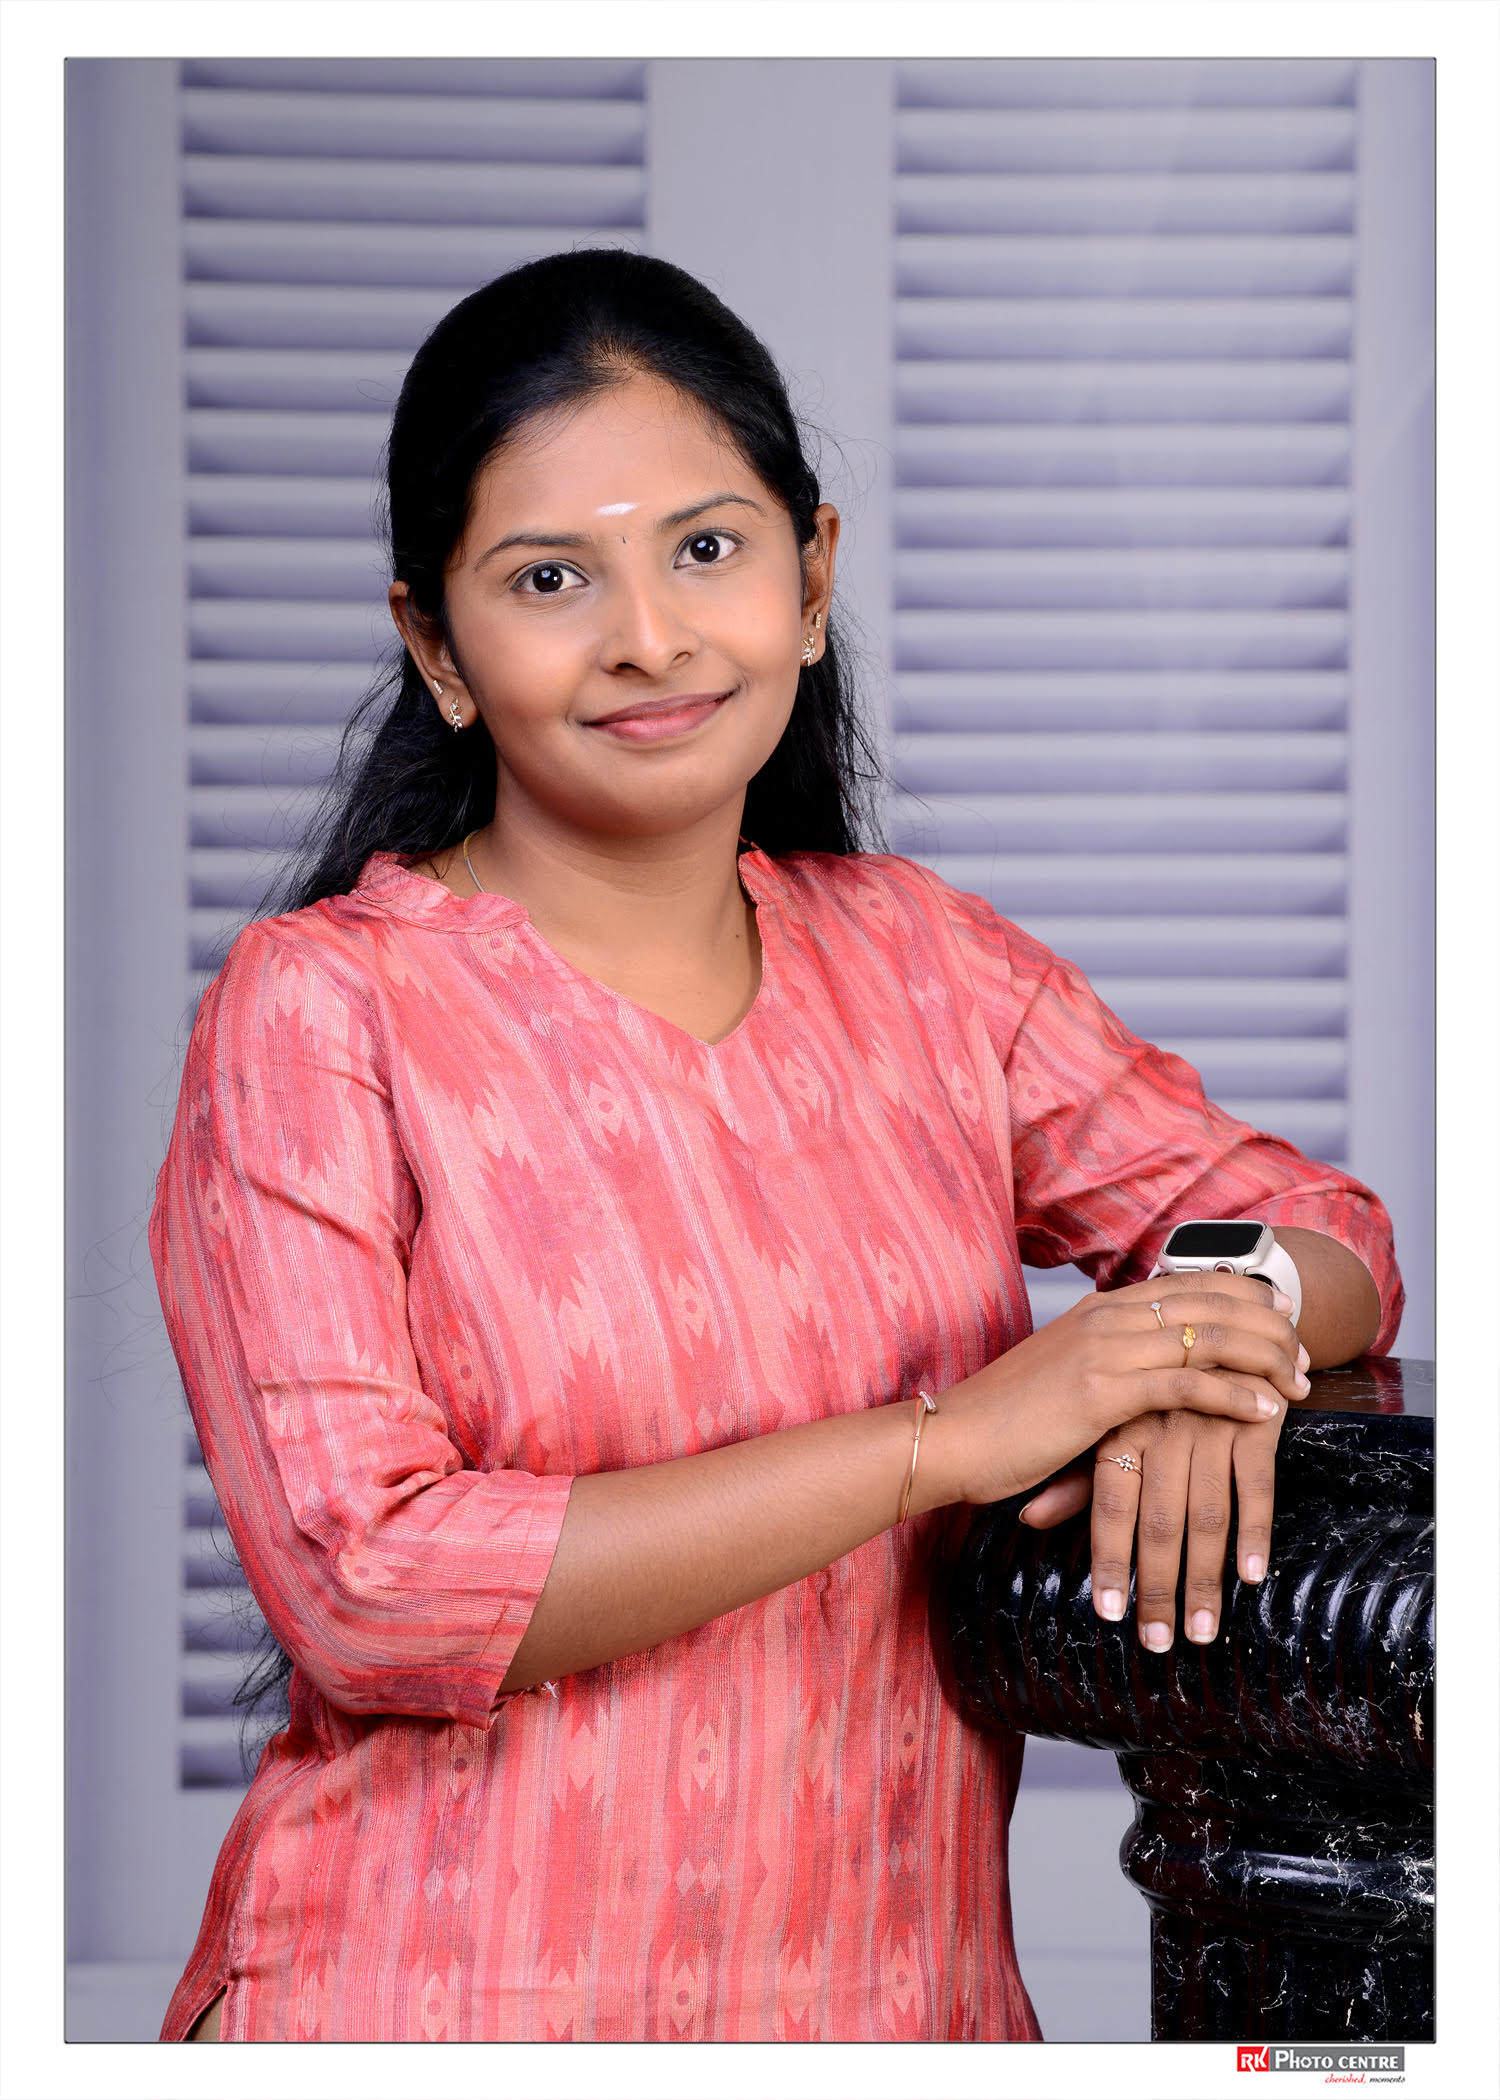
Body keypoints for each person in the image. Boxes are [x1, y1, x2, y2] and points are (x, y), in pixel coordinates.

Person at [152, 250, 1400, 2044]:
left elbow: (1312, 1224)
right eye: (551, 578)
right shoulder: (321, 1012)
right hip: (438, 2008)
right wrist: (946, 1442)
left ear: (810, 578)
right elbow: (375, 1587)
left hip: (896, 2016)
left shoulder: (923, 966)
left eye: (706, 549)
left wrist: (1199, 1355)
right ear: (436, 645)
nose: (649, 636)